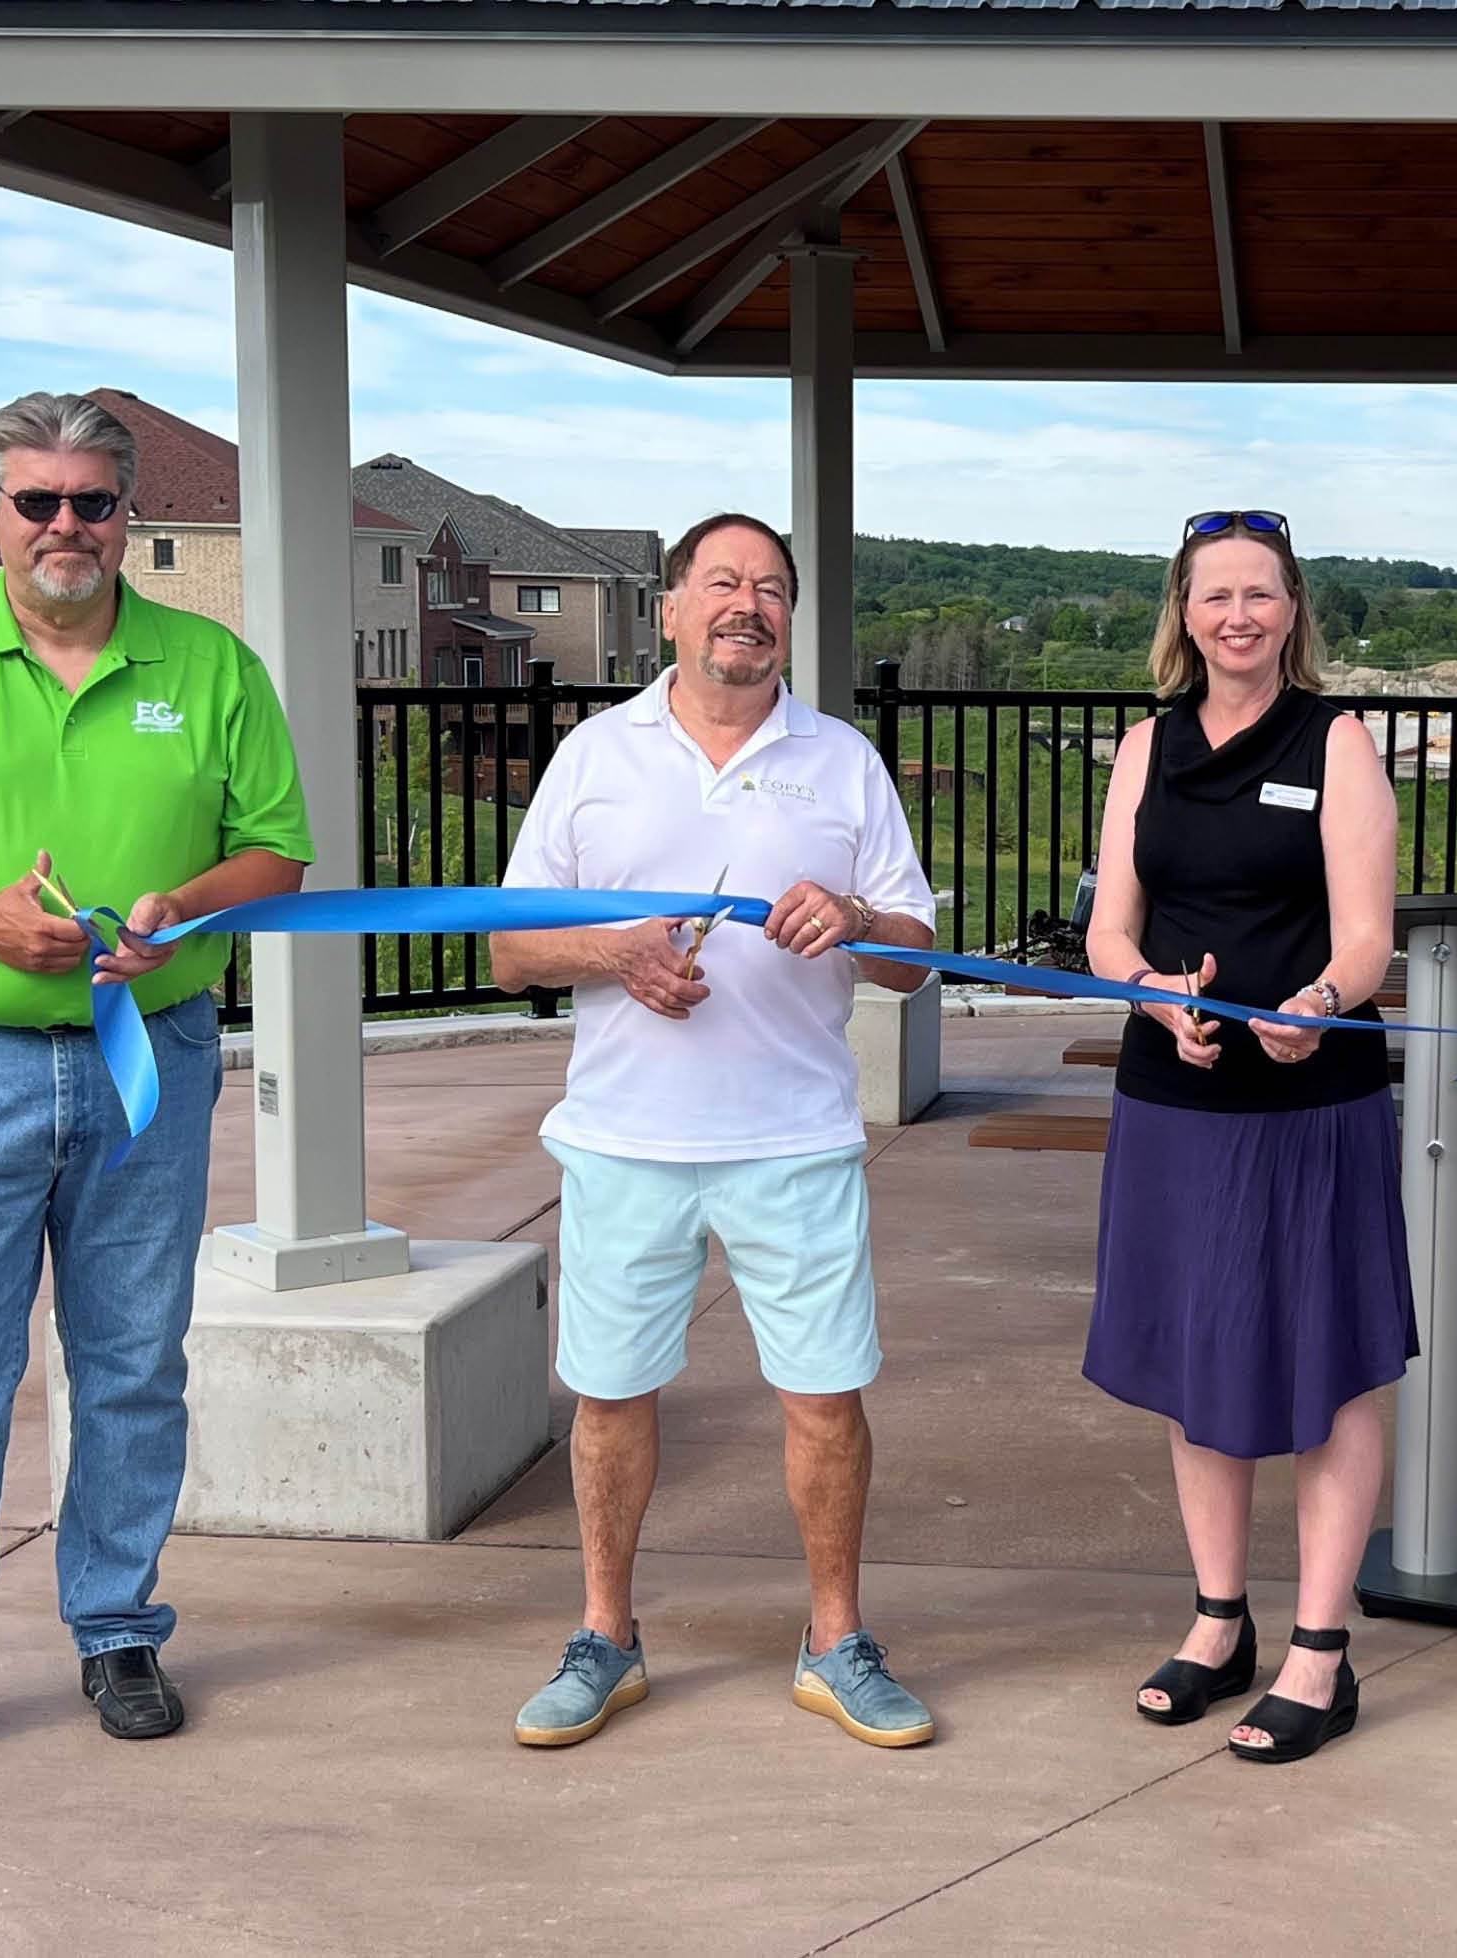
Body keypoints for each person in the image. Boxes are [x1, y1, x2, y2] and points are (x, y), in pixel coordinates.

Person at [0, 392, 313, 1792]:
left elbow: (275, 852)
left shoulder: (208, 666)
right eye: (39, 502)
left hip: (152, 1050)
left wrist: (187, 906)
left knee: (133, 1357)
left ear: (126, 513)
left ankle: (118, 1626)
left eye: (93, 501)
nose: (66, 526)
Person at [486, 512, 945, 1753]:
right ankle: (605, 1636)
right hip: (626, 1139)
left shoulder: (843, 761)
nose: (747, 604)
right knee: (611, 1395)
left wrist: (851, 913)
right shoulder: (593, 756)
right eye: (722, 583)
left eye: (772, 588)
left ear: (789, 618)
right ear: (671, 608)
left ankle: (835, 1640)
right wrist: (617, 950)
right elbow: (513, 946)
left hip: (794, 1138)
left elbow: (912, 961)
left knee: (824, 1398)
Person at [1082, 508, 1410, 1766]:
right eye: (1214, 595)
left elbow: (1365, 934)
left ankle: (1319, 1653)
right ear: (1183, 612)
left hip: (1307, 1095)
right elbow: (1113, 926)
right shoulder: (1142, 746)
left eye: (1259, 595)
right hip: (1174, 1093)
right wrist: (1152, 993)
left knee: (1329, 1361)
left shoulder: (1338, 739)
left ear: (1292, 612)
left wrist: (1317, 1007)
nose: (1237, 615)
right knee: (1194, 1357)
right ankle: (1219, 1620)